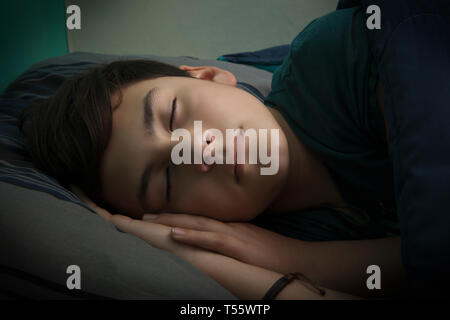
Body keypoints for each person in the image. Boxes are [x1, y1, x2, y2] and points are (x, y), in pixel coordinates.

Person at [19, 6, 405, 299]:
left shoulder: (340, 61)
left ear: (208, 75)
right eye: (166, 180)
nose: (196, 152)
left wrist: (303, 263)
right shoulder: (287, 235)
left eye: (172, 115)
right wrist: (281, 263)